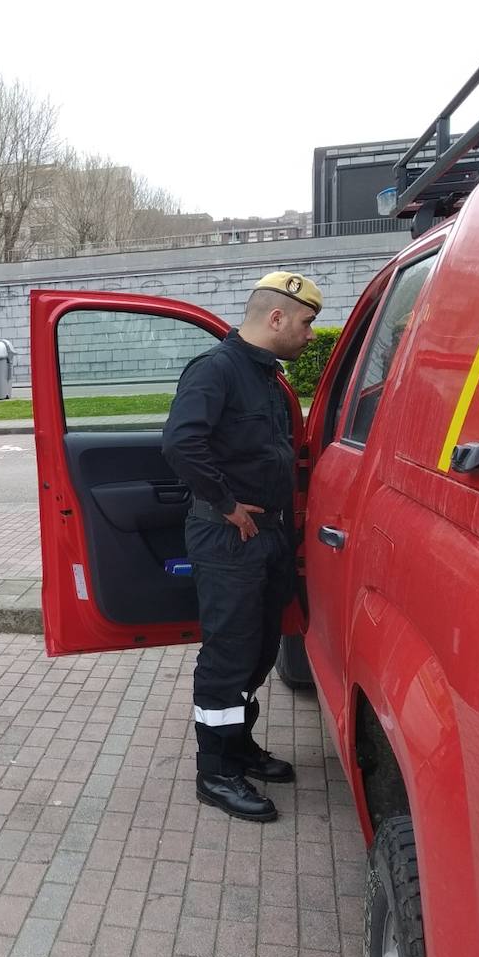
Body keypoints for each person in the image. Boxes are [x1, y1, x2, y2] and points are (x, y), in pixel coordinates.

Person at [162, 271, 321, 822]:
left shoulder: (266, 378)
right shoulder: (218, 370)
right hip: (229, 536)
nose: (310, 334)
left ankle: (239, 747)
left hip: (268, 534)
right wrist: (227, 504)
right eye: (307, 322)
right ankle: (215, 774)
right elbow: (181, 443)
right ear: (275, 317)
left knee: (256, 653)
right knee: (229, 656)